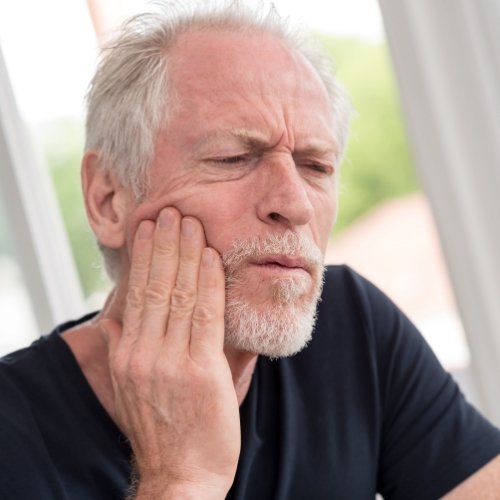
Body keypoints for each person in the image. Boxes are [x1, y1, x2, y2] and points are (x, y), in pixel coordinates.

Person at [1, 2, 500, 499]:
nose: (295, 204)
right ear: (108, 200)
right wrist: (180, 481)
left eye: (316, 166)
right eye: (233, 158)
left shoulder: (351, 325)